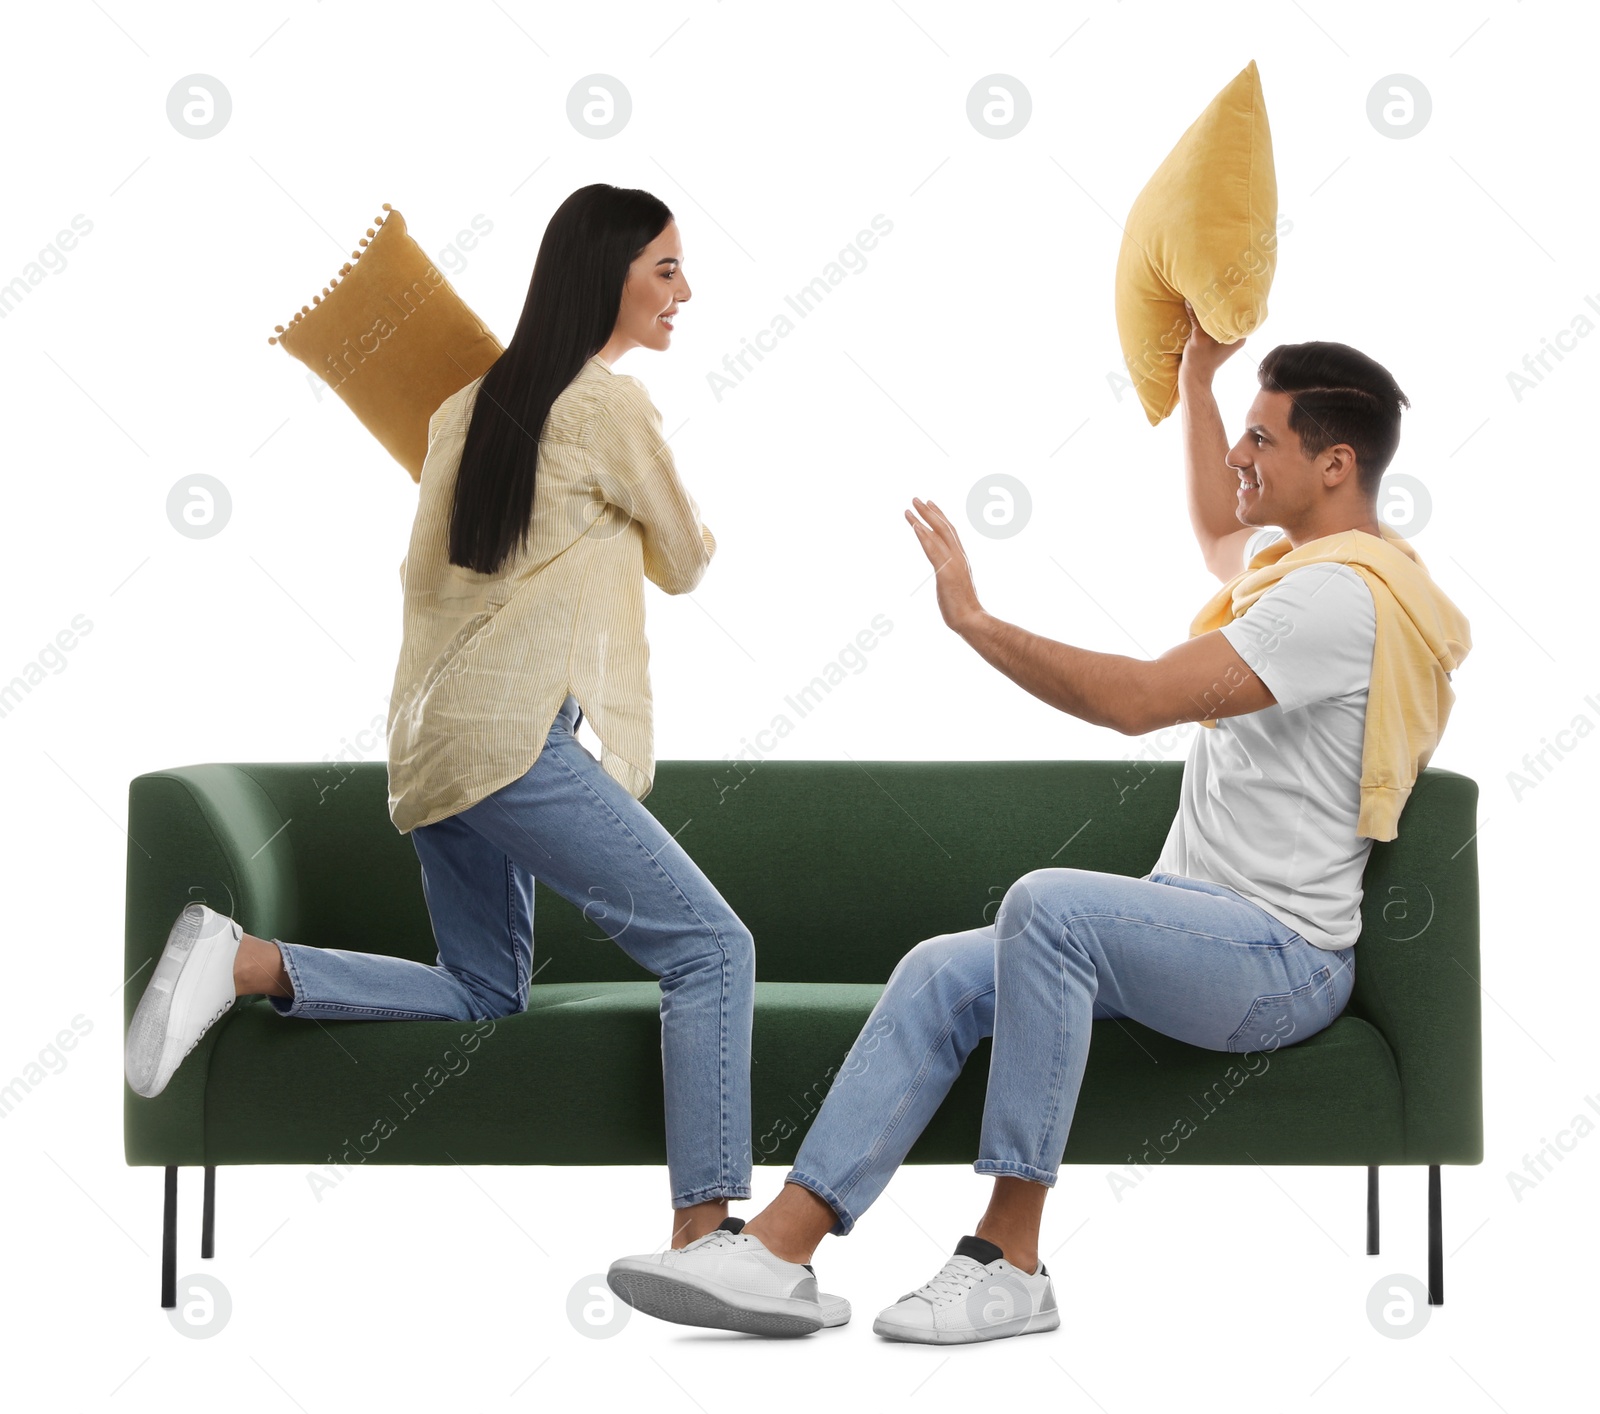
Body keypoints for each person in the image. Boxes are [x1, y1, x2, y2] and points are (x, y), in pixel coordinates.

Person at [605, 309, 1472, 1342]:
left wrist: (975, 621)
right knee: (938, 966)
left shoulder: (1332, 602)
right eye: (1241, 434)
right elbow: (1213, 531)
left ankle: (1009, 1258)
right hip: (1195, 924)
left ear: (1334, 464)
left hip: (1279, 958)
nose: (1239, 458)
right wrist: (1196, 381)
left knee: (1048, 909)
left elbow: (1142, 700)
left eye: (1260, 439)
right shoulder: (1321, 562)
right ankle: (776, 1256)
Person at [122, 185, 821, 1287]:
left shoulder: (466, 406)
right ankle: (704, 1239)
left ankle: (245, 959)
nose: (684, 292)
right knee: (710, 946)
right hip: (509, 742)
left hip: (435, 748)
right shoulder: (607, 407)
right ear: (607, 275)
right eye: (667, 268)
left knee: (483, 991)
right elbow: (685, 562)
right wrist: (647, 514)